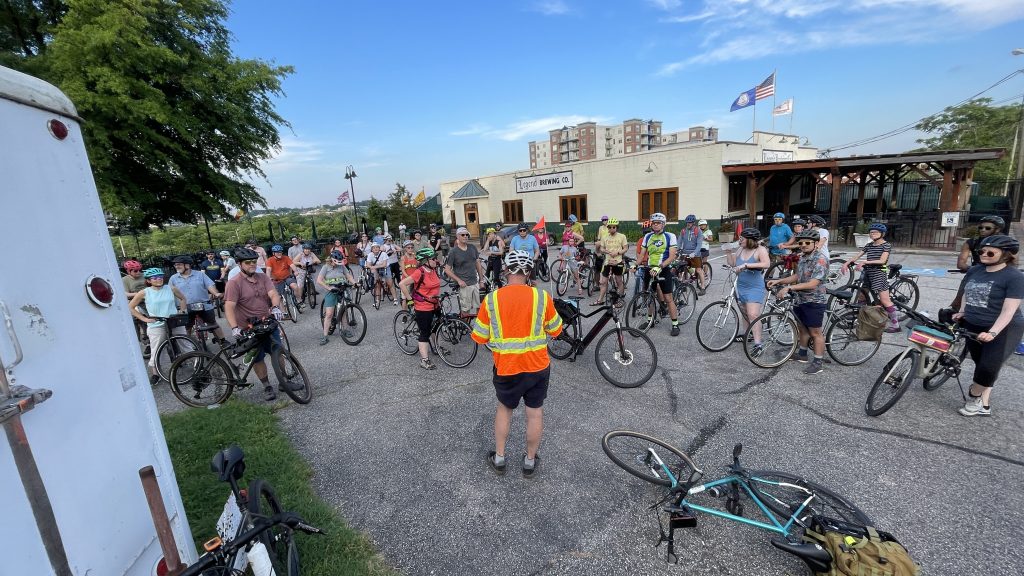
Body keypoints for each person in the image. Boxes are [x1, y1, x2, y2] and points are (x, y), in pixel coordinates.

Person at [472, 250, 563, 479]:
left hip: (507, 367)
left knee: (505, 410)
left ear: (505, 270)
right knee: (535, 414)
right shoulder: (542, 297)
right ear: (529, 271)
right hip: (537, 366)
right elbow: (556, 330)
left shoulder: (492, 299)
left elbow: (480, 336)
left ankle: (500, 459)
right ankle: (529, 462)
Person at [951, 235, 1023, 417]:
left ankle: (975, 395)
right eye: (981, 251)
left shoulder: (1014, 277)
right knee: (980, 363)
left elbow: (1009, 310)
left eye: (990, 252)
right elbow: (967, 291)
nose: (984, 254)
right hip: (973, 323)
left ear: (1007, 255)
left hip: (1004, 327)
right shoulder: (975, 271)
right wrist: (963, 311)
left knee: (989, 367)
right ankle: (984, 405)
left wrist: (993, 332)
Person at [223, 248, 294, 401]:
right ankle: (267, 385)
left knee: (278, 351)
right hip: (248, 328)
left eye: (254, 261)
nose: (252, 265)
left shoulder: (262, 277)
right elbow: (229, 306)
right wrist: (234, 327)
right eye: (247, 262)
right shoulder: (234, 283)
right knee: (258, 358)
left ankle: (285, 381)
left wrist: (275, 307)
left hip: (267, 322)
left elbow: (273, 294)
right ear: (239, 264)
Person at [767, 229, 828, 375]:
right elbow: (797, 276)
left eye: (807, 243)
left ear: (815, 243)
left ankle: (818, 362)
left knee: (815, 332)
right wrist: (779, 281)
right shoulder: (802, 257)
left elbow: (813, 283)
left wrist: (789, 288)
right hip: (800, 299)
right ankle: (802, 354)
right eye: (801, 243)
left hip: (814, 300)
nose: (803, 245)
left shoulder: (820, 259)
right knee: (802, 328)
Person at [128, 268, 187, 385]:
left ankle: (197, 363)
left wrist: (182, 311)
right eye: (155, 278)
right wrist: (144, 319)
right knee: (157, 349)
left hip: (174, 321)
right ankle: (156, 374)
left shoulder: (170, 288)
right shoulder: (144, 292)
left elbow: (183, 299)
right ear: (149, 281)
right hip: (156, 324)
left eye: (160, 277)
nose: (158, 279)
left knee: (185, 343)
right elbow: (130, 307)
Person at [840, 223, 901, 332]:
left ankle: (896, 325)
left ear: (882, 234)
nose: (872, 234)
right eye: (871, 232)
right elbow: (857, 255)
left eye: (875, 232)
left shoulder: (886, 245)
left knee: (885, 300)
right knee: (862, 296)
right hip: (868, 272)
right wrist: (846, 263)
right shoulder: (869, 245)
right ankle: (859, 316)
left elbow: (882, 261)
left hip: (879, 272)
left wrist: (865, 262)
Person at [637, 212, 682, 336]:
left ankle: (675, 324)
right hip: (650, 269)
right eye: (654, 223)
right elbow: (642, 254)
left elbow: (672, 256)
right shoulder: (648, 237)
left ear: (663, 224)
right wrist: (635, 264)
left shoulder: (670, 236)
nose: (655, 225)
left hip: (664, 268)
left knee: (668, 298)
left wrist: (660, 266)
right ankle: (650, 321)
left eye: (658, 223)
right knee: (649, 295)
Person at [399, 247, 443, 370]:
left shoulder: (433, 270)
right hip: (423, 306)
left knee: (436, 327)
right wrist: (409, 300)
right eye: (433, 259)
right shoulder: (420, 272)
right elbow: (402, 284)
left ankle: (436, 348)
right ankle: (424, 360)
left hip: (435, 304)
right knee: (425, 332)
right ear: (425, 261)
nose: (436, 260)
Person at [725, 228, 770, 350]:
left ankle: (758, 344)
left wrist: (746, 265)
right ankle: (746, 335)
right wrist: (728, 253)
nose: (739, 240)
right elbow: (733, 263)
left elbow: (766, 264)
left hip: (755, 287)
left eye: (742, 238)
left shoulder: (760, 250)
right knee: (745, 312)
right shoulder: (740, 249)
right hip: (742, 285)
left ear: (749, 240)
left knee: (753, 314)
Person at [168, 255, 226, 344]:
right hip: (184, 307)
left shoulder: (200, 274)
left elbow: (210, 285)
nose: (176, 266)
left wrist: (216, 293)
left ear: (187, 265)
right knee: (187, 327)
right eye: (175, 265)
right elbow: (169, 292)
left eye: (179, 264)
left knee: (213, 324)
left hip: (203, 304)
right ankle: (188, 345)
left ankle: (223, 341)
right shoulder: (173, 278)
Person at [952, 215, 1006, 310]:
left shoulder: (1005, 243)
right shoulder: (972, 242)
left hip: (999, 274)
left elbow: (1013, 261)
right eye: (981, 227)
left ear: (997, 230)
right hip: (976, 272)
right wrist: (974, 270)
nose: (983, 230)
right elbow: (961, 263)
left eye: (987, 228)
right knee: (959, 299)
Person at [316, 250, 356, 345]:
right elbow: (319, 280)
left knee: (343, 311)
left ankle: (345, 330)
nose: (338, 263)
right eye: (336, 261)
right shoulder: (325, 267)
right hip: (332, 290)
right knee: (329, 314)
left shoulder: (342, 266)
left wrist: (355, 283)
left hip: (342, 289)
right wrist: (329, 288)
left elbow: (348, 276)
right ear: (331, 259)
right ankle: (325, 336)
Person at [445, 227, 487, 316]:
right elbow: (447, 270)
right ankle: (465, 328)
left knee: (480, 308)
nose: (465, 236)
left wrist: (481, 280)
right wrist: (459, 280)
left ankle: (477, 328)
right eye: (462, 235)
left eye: (466, 234)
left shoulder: (472, 247)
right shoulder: (453, 252)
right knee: (466, 310)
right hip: (464, 285)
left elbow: (478, 263)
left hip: (475, 282)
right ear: (457, 236)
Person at [593, 218, 627, 305]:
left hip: (618, 261)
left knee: (618, 281)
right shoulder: (604, 237)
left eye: (614, 227)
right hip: (607, 262)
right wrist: (607, 251)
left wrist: (618, 252)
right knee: (603, 282)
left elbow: (625, 248)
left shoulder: (622, 236)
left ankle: (621, 299)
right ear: (608, 228)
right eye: (610, 227)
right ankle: (600, 300)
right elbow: (601, 248)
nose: (612, 229)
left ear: (617, 227)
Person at [266, 245, 301, 311]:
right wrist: (268, 279)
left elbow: (292, 265)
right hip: (277, 280)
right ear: (273, 253)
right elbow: (268, 270)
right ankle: (284, 311)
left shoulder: (286, 258)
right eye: (277, 252)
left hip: (287, 277)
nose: (279, 253)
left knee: (295, 286)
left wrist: (296, 271)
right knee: (280, 297)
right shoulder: (270, 260)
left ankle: (299, 300)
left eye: (280, 252)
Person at [678, 214, 706, 294]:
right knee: (683, 269)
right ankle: (684, 285)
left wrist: (695, 253)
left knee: (698, 270)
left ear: (693, 223)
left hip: (695, 253)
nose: (688, 224)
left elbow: (699, 244)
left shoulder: (698, 231)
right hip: (685, 253)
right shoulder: (683, 231)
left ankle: (703, 287)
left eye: (690, 222)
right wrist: (677, 250)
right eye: (687, 222)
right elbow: (679, 241)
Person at [365, 242, 394, 307]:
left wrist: (373, 267)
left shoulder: (383, 254)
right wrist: (372, 267)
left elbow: (384, 264)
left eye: (377, 247)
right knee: (377, 284)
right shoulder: (370, 254)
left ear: (379, 248)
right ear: (372, 249)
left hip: (385, 268)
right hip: (377, 268)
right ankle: (377, 300)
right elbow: (368, 265)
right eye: (374, 248)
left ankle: (395, 299)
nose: (376, 249)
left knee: (390, 283)